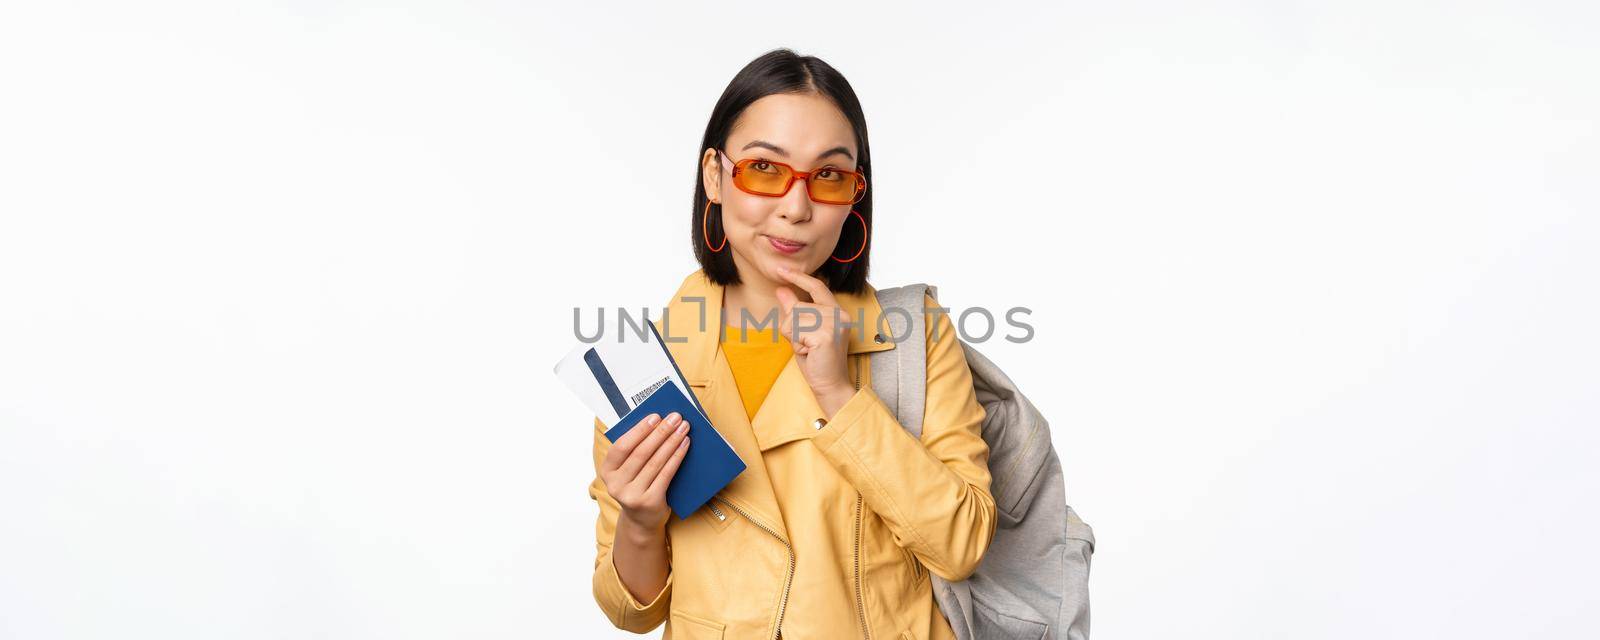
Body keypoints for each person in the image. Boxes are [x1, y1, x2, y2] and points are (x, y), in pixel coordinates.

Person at [586, 48, 996, 639]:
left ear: (855, 193)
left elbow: (961, 546)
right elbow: (632, 612)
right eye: (764, 169)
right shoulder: (643, 364)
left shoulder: (915, 333)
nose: (797, 207)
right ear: (714, 176)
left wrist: (838, 392)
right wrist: (642, 523)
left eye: (828, 175)